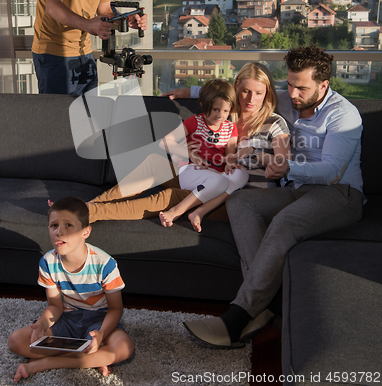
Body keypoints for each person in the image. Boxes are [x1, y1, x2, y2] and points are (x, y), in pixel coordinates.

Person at [180, 45, 364, 348]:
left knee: (285, 222)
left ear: (323, 85)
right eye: (289, 84)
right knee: (240, 202)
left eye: (301, 87)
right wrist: (190, 88)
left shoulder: (344, 115)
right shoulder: (291, 96)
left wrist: (285, 166)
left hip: (338, 193)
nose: (292, 93)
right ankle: (269, 307)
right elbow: (246, 88)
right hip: (297, 190)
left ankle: (238, 317)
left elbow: (332, 170)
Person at [86, 63, 290, 226]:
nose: (251, 99)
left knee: (171, 197)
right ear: (236, 87)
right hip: (207, 175)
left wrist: (254, 153)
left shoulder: (274, 123)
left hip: (240, 197)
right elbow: (213, 94)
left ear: (267, 94)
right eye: (246, 91)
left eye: (259, 93)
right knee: (156, 163)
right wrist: (188, 91)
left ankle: (92, 213)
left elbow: (283, 164)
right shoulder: (226, 114)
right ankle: (96, 202)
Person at [8, 197, 134, 382]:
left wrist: (101, 335)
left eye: (68, 225)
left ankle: (43, 364)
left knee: (124, 348)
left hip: (100, 320)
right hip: (66, 319)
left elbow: (116, 309)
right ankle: (92, 358)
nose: (59, 232)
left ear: (85, 232)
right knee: (16, 341)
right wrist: (42, 325)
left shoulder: (105, 264)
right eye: (54, 226)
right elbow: (55, 306)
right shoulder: (47, 263)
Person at [158, 79, 249, 232]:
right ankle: (177, 210)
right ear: (203, 105)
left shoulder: (230, 127)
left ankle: (200, 212)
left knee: (242, 174)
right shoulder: (195, 122)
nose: (220, 115)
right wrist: (191, 155)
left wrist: (230, 163)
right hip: (191, 171)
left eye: (225, 111)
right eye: (215, 109)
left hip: (216, 176)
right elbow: (165, 142)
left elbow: (229, 157)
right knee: (219, 181)